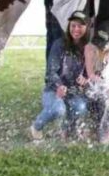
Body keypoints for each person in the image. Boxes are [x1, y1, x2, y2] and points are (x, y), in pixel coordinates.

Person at [30, 11, 91, 141]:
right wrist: (59, 86)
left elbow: (91, 71)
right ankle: (36, 126)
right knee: (58, 110)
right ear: (69, 26)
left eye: (80, 26)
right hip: (53, 90)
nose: (76, 29)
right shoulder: (59, 44)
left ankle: (68, 129)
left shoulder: (89, 48)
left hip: (74, 92)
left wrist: (85, 78)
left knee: (80, 107)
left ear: (87, 28)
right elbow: (50, 72)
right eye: (73, 25)